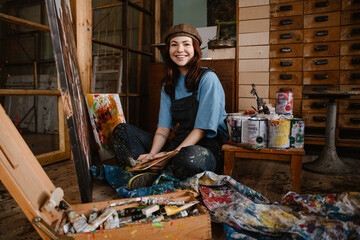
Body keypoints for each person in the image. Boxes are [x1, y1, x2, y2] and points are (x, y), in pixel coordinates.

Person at [112, 23, 228, 189]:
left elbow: (201, 129)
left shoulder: (208, 79)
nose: (180, 50)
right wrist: (153, 155)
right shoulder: (169, 85)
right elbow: (164, 128)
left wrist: (168, 156)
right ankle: (148, 170)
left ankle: (156, 174)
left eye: (186, 44)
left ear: (195, 49)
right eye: (174, 44)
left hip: (204, 148)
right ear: (168, 51)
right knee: (122, 131)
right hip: (178, 144)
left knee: (189, 159)